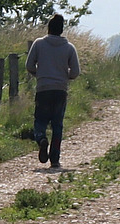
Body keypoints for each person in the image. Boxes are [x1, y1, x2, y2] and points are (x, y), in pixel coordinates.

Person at [25, 13, 80, 168]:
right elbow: (75, 72)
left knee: (40, 120)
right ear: (62, 30)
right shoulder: (69, 48)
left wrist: (40, 74)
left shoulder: (38, 44)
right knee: (57, 124)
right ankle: (54, 158)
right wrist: (63, 77)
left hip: (43, 88)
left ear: (48, 28)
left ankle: (41, 138)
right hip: (60, 90)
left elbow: (29, 66)